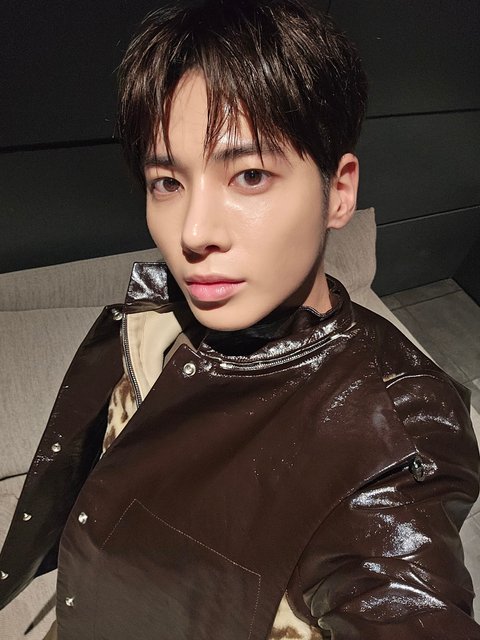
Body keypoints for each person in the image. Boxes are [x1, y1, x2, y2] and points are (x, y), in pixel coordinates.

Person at [1, 0, 479, 638]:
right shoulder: (164, 315)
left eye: (250, 175)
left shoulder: (395, 441)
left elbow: (404, 592)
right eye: (168, 182)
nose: (193, 233)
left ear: (338, 192)